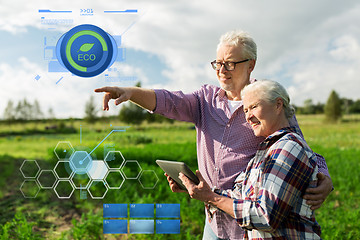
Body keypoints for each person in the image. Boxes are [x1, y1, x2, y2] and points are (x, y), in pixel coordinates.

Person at [94, 30, 332, 240]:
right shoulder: (204, 99)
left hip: (250, 227)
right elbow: (169, 101)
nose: (221, 70)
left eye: (229, 63)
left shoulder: (267, 103)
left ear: (251, 64)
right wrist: (130, 92)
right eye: (217, 63)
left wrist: (324, 176)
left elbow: (299, 147)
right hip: (213, 222)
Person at [179, 80, 321, 239]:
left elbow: (265, 216)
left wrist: (211, 198)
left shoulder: (288, 148)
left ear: (278, 105)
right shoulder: (265, 150)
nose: (248, 117)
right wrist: (198, 189)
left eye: (253, 107)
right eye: (245, 110)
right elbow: (242, 197)